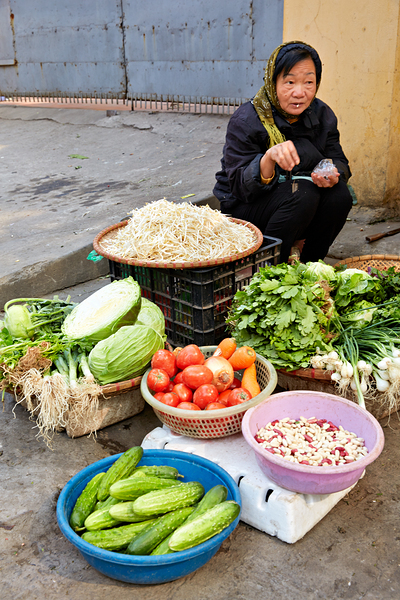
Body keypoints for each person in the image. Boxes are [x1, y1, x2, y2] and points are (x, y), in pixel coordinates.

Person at [213, 40, 353, 264]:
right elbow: (239, 185)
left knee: (340, 195)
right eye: (289, 82)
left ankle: (309, 266)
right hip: (246, 205)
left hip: (299, 199)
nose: (300, 92)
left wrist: (332, 172)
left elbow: (339, 159)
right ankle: (267, 269)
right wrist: (268, 158)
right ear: (273, 81)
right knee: (301, 192)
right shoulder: (248, 119)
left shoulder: (322, 114)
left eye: (309, 82)